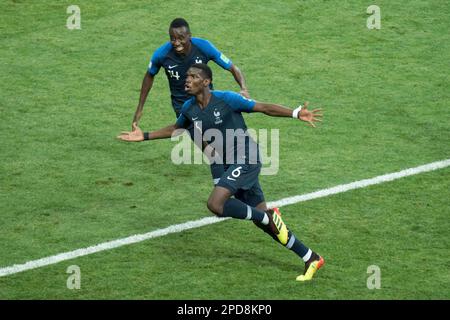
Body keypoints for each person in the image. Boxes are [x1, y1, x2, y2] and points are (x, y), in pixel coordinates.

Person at [118, 64, 324, 281]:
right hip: (230, 163)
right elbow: (176, 129)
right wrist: (145, 136)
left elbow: (263, 107)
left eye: (194, 76)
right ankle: (310, 256)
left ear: (206, 82)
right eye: (187, 76)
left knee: (216, 204)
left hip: (247, 158)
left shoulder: (226, 99)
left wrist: (295, 113)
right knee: (266, 225)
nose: (187, 79)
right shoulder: (189, 108)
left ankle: (267, 216)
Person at [131, 17, 249, 183]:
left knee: (223, 145)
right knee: (210, 149)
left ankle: (231, 188)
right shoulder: (162, 54)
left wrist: (244, 88)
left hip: (209, 104)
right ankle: (224, 191)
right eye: (173, 39)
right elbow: (149, 76)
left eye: (181, 38)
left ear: (189, 37)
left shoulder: (203, 46)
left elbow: (232, 67)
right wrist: (140, 108)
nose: (176, 42)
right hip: (185, 109)